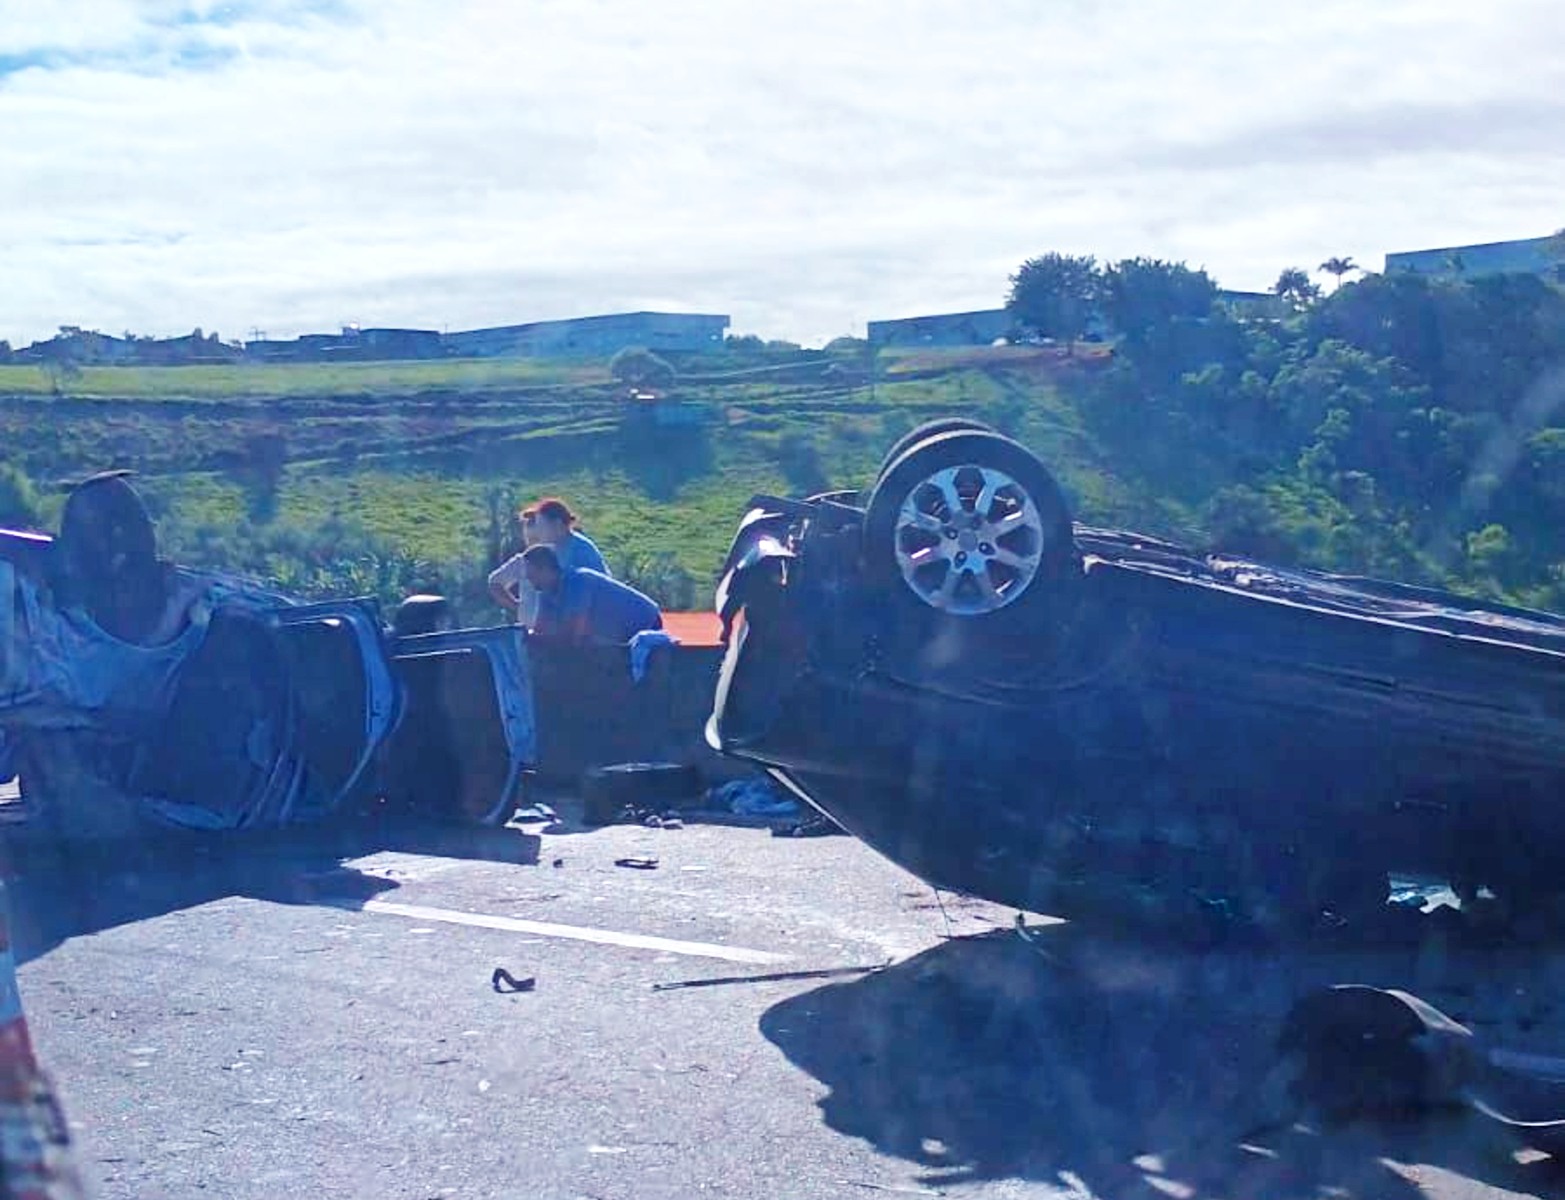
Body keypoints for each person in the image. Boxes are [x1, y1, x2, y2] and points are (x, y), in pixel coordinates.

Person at [487, 496, 608, 624]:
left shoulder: (582, 551)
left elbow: (597, 593)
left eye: (541, 526)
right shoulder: (538, 551)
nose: (538, 531)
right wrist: (520, 608)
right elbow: (495, 582)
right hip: (534, 632)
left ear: (557, 524)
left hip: (569, 631)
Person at [521, 544, 661, 644]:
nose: (529, 580)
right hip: (617, 633)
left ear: (546, 569)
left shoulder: (578, 581)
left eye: (532, 575)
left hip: (644, 623)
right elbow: (539, 630)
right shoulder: (544, 590)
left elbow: (574, 633)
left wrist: (539, 640)